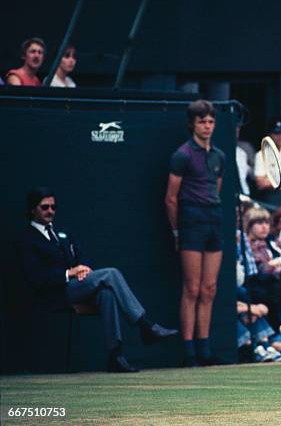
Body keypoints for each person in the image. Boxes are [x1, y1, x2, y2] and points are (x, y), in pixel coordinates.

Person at [17, 188, 177, 372]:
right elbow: (35, 278)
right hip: (55, 293)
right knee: (111, 274)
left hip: (76, 286)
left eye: (53, 207)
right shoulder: (26, 239)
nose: (50, 211)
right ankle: (145, 326)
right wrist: (69, 273)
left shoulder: (62, 233)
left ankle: (115, 356)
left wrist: (83, 270)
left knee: (107, 294)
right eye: (45, 207)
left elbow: (79, 259)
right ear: (32, 210)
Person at [165, 99, 225, 367]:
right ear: (193, 123)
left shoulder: (219, 156)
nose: (207, 126)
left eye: (211, 121)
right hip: (191, 221)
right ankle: (189, 351)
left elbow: (216, 189)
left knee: (209, 289)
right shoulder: (182, 155)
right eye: (202, 121)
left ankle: (205, 348)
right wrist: (177, 230)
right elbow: (171, 198)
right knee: (191, 288)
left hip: (214, 219)